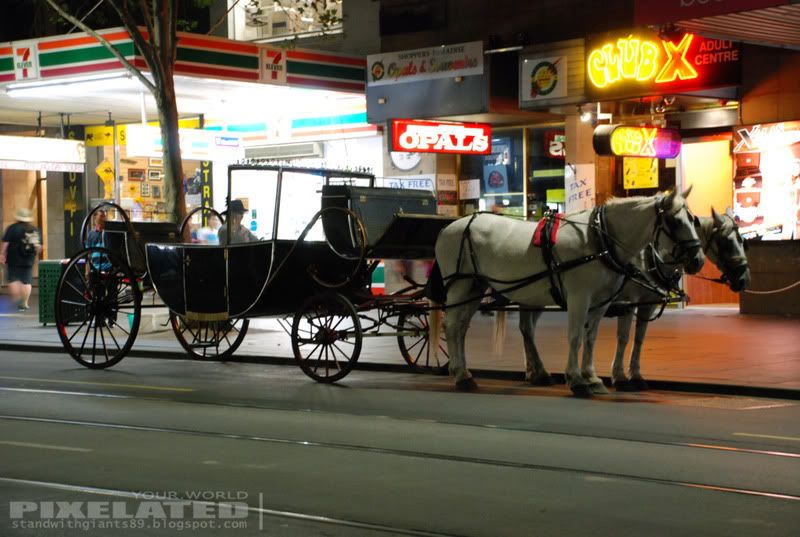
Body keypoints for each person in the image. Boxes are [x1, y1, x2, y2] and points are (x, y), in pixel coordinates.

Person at [0, 208, 42, 311]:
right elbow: (39, 247)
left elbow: (6, 243)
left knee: (13, 279)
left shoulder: (12, 228)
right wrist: (34, 255)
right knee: (27, 281)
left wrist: (2, 254)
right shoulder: (34, 229)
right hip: (28, 258)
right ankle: (25, 303)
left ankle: (18, 298)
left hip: (13, 257)